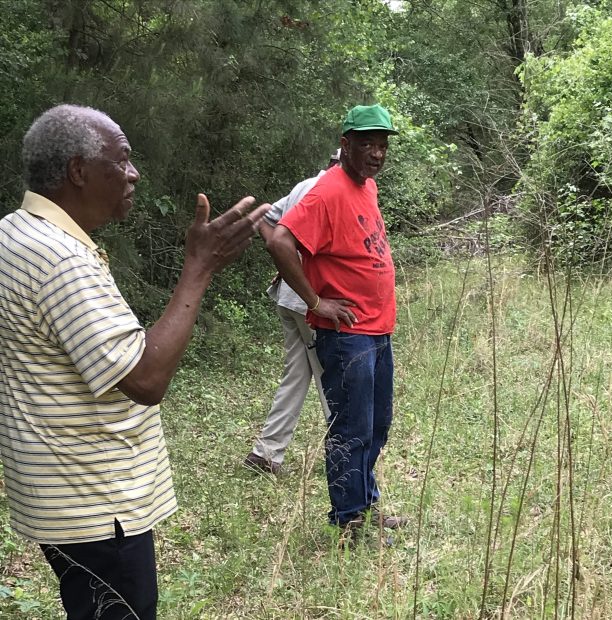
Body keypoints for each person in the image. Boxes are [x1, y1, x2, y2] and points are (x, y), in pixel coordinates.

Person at [0, 104, 269, 619]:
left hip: (56, 493)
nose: (133, 173)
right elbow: (145, 379)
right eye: (121, 160)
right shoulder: (60, 258)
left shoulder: (16, 232)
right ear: (79, 171)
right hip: (95, 502)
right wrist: (199, 268)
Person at [267, 104, 407, 536]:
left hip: (377, 328)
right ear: (345, 144)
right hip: (347, 334)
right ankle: (348, 520)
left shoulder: (365, 188)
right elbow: (279, 240)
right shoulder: (326, 191)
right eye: (367, 144)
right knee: (352, 425)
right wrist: (315, 300)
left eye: (382, 146)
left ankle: (365, 503)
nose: (377, 154)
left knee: (377, 423)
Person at [244, 149, 341, 475]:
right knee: (335, 376)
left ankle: (265, 454)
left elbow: (265, 220)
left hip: (291, 299)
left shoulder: (305, 185)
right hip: (310, 302)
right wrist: (293, 270)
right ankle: (344, 456)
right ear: (337, 164)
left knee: (297, 376)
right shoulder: (329, 191)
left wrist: (287, 267)